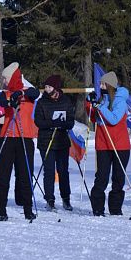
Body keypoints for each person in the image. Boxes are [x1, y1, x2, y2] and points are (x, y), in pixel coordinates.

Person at [0, 62, 40, 221]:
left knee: (25, 175)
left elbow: (35, 93)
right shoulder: (4, 93)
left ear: (13, 77)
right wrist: (10, 102)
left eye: (6, 78)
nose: (4, 82)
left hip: (24, 138)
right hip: (7, 138)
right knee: (4, 175)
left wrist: (19, 94)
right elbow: (1, 103)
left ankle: (28, 209)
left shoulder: (28, 92)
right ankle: (1, 209)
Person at [86, 71, 131, 216]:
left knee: (118, 178)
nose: (100, 86)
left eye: (103, 83)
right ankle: (98, 208)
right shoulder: (102, 99)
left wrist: (100, 107)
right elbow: (94, 119)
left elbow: (113, 119)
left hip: (120, 145)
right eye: (100, 84)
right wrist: (90, 104)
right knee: (101, 177)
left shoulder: (120, 101)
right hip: (103, 144)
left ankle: (115, 208)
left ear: (110, 85)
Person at [33, 75, 75, 211]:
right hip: (46, 142)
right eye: (45, 87)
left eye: (49, 86)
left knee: (63, 172)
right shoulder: (41, 102)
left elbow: (71, 122)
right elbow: (38, 121)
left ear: (56, 87)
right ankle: (50, 200)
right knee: (49, 172)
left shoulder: (66, 101)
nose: (46, 89)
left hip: (62, 142)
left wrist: (63, 124)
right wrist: (52, 123)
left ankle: (66, 199)